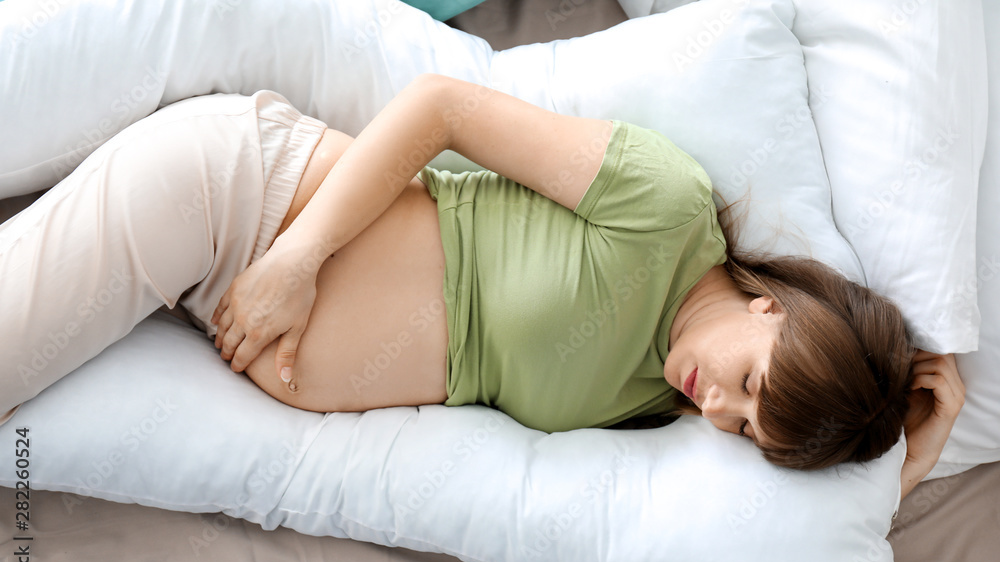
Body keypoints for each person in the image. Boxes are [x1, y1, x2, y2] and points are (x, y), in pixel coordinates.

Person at [0, 74, 964, 501]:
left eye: (750, 433)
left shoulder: (653, 402)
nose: (719, 412)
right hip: (235, 203)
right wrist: (294, 264)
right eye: (751, 385)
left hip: (210, 309)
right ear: (773, 307)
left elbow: (823, 539)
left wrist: (921, 437)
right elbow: (442, 108)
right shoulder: (667, 212)